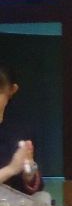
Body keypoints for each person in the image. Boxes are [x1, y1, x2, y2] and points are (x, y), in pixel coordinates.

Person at [0, 62, 42, 196]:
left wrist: (29, 173)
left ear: (12, 90)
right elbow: (13, 169)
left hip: (13, 205)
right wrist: (11, 169)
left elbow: (33, 187)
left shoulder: (21, 130)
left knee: (43, 198)